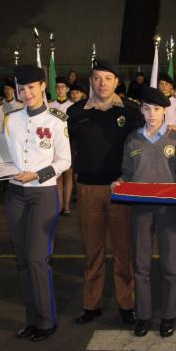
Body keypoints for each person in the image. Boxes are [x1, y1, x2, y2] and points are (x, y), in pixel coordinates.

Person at [67, 58, 143, 325]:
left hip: (121, 189)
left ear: (116, 82)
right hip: (87, 189)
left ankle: (127, 304)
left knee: (124, 251)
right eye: (97, 78)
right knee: (92, 251)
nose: (102, 83)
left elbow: (145, 142)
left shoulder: (132, 112)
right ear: (91, 81)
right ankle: (92, 305)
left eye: (108, 78)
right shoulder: (75, 112)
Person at [112, 86, 176, 338]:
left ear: (165, 110)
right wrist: (119, 181)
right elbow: (127, 171)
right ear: (141, 110)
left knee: (169, 265)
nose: (152, 113)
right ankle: (144, 316)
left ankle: (168, 316)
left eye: (157, 108)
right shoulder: (133, 138)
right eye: (147, 108)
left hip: (168, 208)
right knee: (141, 265)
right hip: (141, 208)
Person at [4, 64, 72, 342]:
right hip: (14, 193)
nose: (27, 93)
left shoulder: (57, 120)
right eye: (22, 88)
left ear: (43, 86)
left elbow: (65, 161)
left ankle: (46, 320)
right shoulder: (10, 119)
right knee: (22, 261)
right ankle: (31, 319)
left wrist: (38, 174)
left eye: (32, 87)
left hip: (42, 192)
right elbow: (3, 154)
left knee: (36, 259)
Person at [49, 77, 74, 215]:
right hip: (54, 144)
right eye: (57, 87)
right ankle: (59, 205)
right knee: (57, 175)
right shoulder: (50, 106)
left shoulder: (72, 106)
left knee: (68, 174)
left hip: (69, 142)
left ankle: (67, 205)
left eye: (63, 86)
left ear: (67, 89)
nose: (60, 89)